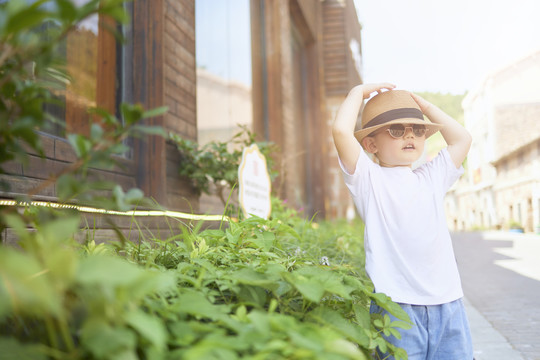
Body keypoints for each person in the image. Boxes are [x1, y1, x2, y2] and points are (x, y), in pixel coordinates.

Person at [332, 83, 473, 359]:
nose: (410, 136)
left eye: (417, 130)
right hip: (396, 306)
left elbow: (462, 139)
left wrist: (427, 108)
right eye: (397, 130)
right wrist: (357, 93)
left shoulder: (432, 176)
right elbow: (340, 131)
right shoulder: (368, 180)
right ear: (371, 144)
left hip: (448, 303)